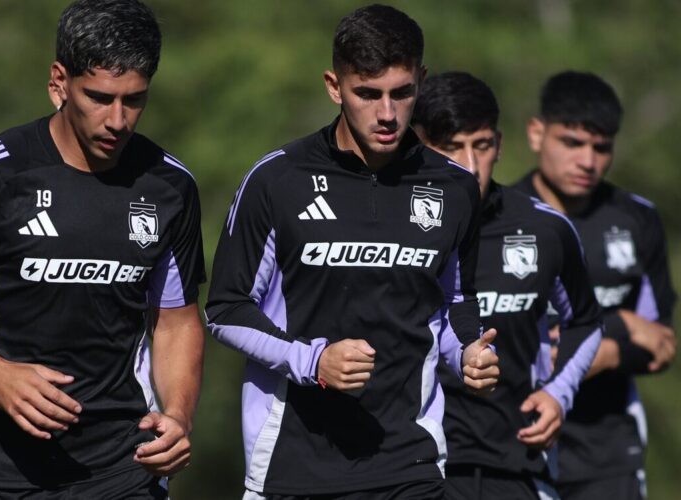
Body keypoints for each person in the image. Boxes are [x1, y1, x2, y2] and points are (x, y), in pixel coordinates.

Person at [0, 0, 206, 498]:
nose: (118, 120)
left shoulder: (169, 185)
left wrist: (179, 415)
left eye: (134, 100)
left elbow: (177, 319)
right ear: (59, 82)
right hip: (3, 469)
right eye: (99, 97)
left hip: (126, 464)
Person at [205, 6, 499, 499]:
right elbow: (225, 309)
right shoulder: (277, 180)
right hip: (293, 468)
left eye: (402, 93)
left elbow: (454, 305)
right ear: (333, 86)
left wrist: (469, 353)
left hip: (412, 465)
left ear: (420, 82)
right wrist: (313, 361)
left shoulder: (455, 187)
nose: (387, 113)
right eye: (368, 93)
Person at [412, 71, 602, 500]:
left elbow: (586, 322)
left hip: (517, 468)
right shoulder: (393, 230)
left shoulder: (546, 228)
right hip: (417, 471)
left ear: (499, 144)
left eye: (481, 145)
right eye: (452, 148)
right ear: (421, 145)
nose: (471, 166)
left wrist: (557, 394)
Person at [513, 70, 677, 500]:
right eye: (572, 142)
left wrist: (601, 350)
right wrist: (620, 326)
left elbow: (661, 345)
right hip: (516, 445)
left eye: (601, 147)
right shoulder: (498, 217)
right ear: (536, 133)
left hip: (608, 455)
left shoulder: (637, 219)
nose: (588, 161)